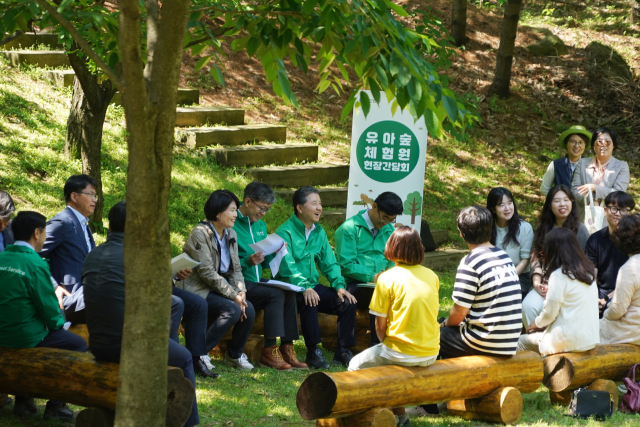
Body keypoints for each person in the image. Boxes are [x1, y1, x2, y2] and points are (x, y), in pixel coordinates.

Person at [83, 202, 199, 426]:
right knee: (184, 358)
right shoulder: (139, 257)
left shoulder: (94, 254)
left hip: (98, 343)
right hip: (130, 346)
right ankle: (186, 423)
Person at [348, 226, 440, 427]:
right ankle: (401, 417)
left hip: (400, 351)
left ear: (392, 248)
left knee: (355, 365)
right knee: (388, 367)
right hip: (431, 352)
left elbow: (379, 327)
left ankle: (363, 415)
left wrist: (386, 345)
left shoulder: (386, 278)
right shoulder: (432, 276)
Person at [0, 211, 87, 421]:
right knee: (78, 344)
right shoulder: (36, 264)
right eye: (45, 232)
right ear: (37, 233)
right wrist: (60, 324)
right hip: (24, 335)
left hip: (2, 331)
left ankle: (24, 400)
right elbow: (49, 310)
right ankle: (56, 405)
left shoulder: (2, 257)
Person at [275, 186, 358, 368]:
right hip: (291, 287)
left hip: (312, 285)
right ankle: (314, 352)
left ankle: (342, 351)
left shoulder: (318, 232)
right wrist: (305, 287)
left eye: (320, 203)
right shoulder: (284, 232)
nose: (319, 208)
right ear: (300, 207)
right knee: (310, 300)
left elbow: (329, 263)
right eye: (314, 203)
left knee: (347, 302)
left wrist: (339, 286)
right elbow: (287, 266)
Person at [177, 190, 255, 370]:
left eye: (236, 210)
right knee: (232, 309)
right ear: (218, 212)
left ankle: (234, 355)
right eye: (232, 210)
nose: (236, 215)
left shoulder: (231, 233)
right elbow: (207, 273)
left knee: (248, 309)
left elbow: (236, 268)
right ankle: (199, 353)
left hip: (217, 288)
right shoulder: (200, 233)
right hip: (198, 289)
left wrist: (241, 291)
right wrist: (233, 295)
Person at [234, 182, 307, 370]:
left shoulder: (260, 226)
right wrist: (248, 262)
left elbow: (263, 263)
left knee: (289, 291)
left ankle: (287, 346)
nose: (263, 213)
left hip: (256, 279)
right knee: (275, 295)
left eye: (267, 209)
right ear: (248, 201)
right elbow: (226, 264)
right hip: (239, 282)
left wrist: (274, 252)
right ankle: (269, 348)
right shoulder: (231, 224)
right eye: (262, 208)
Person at [439, 206, 522, 358]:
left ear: (461, 234)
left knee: (434, 336)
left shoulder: (470, 262)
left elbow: (458, 313)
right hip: (509, 341)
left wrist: (443, 325)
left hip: (484, 341)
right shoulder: (503, 256)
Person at [335, 191, 403, 346]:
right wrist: (373, 277)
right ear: (374, 206)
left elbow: (392, 261)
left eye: (392, 220)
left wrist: (390, 275)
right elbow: (345, 266)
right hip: (354, 285)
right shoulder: (349, 228)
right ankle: (374, 346)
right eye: (384, 217)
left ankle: (402, 344)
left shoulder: (389, 231)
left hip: (380, 284)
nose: (386, 222)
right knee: (378, 294)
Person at [517, 228, 599, 355]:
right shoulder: (588, 271)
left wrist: (535, 323)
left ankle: (541, 373)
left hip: (567, 342)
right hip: (589, 340)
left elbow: (549, 314)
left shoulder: (559, 275)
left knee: (519, 342)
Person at [522, 185, 590, 328]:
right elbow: (535, 258)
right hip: (544, 284)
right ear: (549, 205)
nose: (562, 204)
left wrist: (556, 287)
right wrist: (536, 282)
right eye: (557, 201)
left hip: (569, 286)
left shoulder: (580, 230)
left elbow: (581, 264)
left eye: (566, 200)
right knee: (528, 306)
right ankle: (535, 341)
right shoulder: (542, 229)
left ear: (572, 202)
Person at [40, 174, 98, 324]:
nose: (95, 199)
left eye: (95, 195)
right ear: (74, 196)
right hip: (70, 298)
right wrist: (52, 286)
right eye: (90, 194)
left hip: (87, 293)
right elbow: (30, 254)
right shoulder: (61, 222)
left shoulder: (84, 225)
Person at [585, 191, 634, 316]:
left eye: (623, 210)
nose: (618, 214)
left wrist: (608, 299)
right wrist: (593, 298)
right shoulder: (595, 239)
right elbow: (591, 274)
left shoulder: (635, 240)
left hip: (631, 291)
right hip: (602, 291)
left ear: (629, 214)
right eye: (614, 209)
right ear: (605, 210)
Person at [572, 127, 630, 219]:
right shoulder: (582, 163)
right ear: (594, 146)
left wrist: (594, 189)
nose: (603, 145)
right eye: (599, 142)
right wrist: (590, 199)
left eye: (607, 142)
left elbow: (619, 194)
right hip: (583, 218)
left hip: (608, 220)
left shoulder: (622, 166)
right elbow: (574, 191)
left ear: (613, 145)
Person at [600, 214, 640, 345]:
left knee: (589, 331)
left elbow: (617, 310)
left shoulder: (630, 268)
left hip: (630, 331)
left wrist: (606, 314)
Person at [487, 187, 534, 296]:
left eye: (510, 203)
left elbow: (526, 260)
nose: (507, 208)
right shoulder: (487, 228)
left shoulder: (524, 228)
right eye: (501, 205)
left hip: (520, 276)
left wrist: (508, 278)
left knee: (504, 294)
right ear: (493, 209)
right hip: (494, 275)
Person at [540, 125, 591, 196]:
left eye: (580, 142)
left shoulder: (590, 165)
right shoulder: (556, 164)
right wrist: (558, 200)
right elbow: (544, 189)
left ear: (585, 145)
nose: (576, 146)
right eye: (572, 141)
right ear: (566, 143)